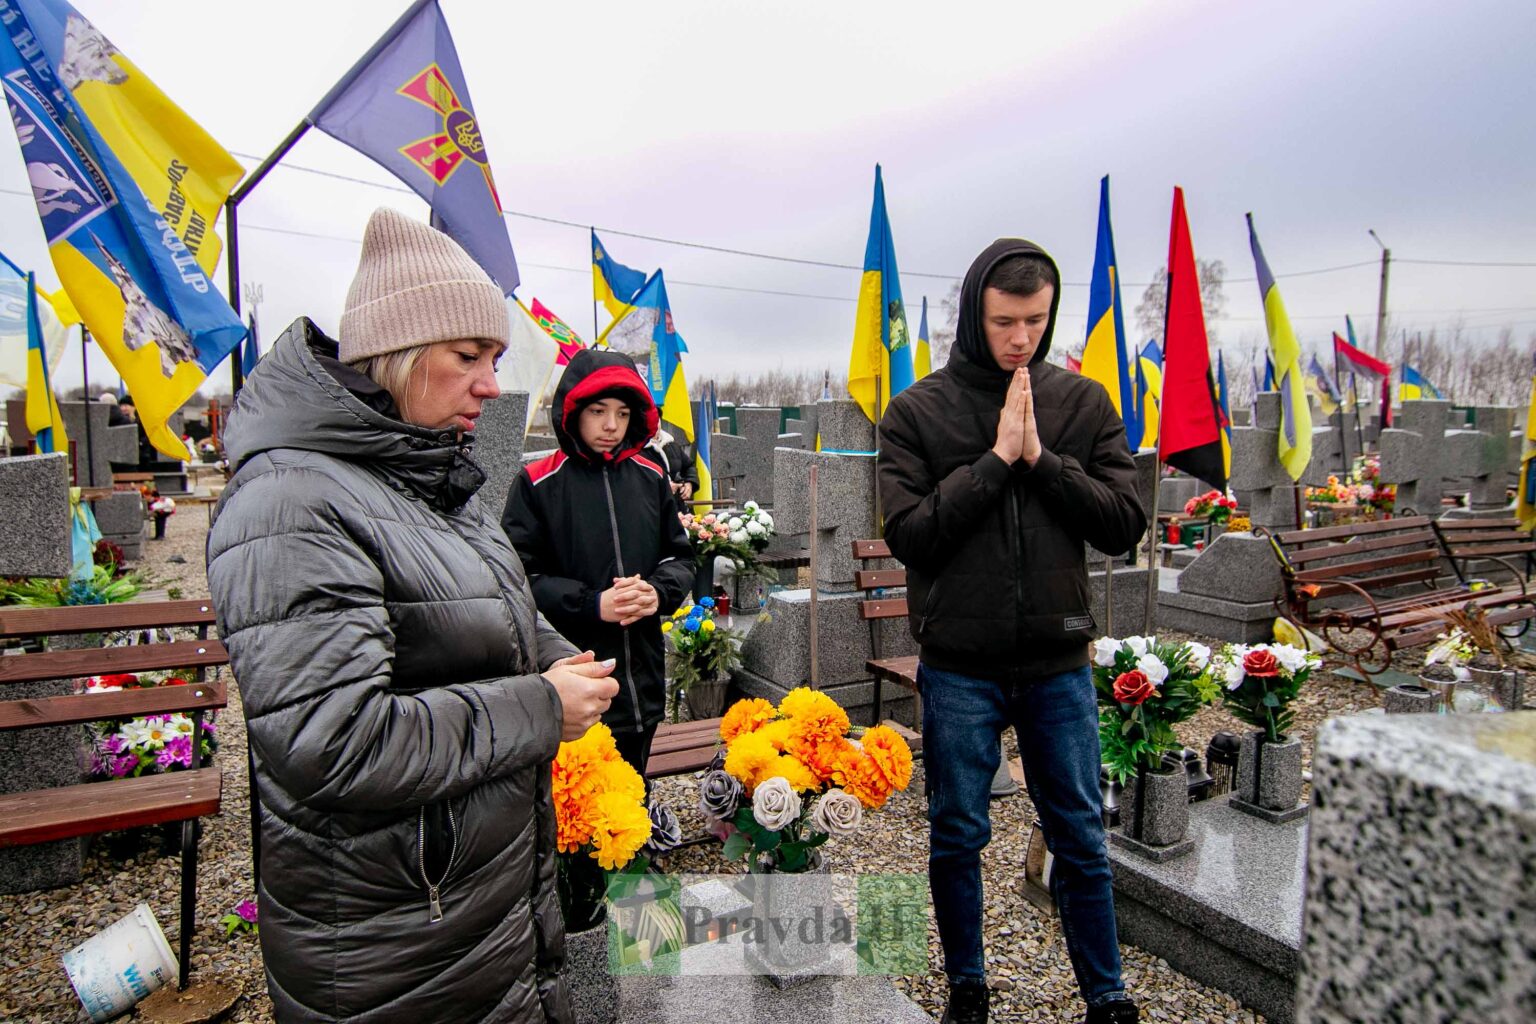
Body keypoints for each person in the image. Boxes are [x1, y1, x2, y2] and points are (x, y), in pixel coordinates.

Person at [207, 207, 617, 1024]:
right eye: (468, 356)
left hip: (474, 907)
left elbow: (485, 608)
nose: (493, 386)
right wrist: (541, 706)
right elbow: (334, 740)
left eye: (495, 359)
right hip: (393, 940)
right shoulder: (292, 501)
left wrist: (565, 657)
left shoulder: (431, 476)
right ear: (392, 354)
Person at [877, 239, 1147, 1024]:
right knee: (958, 831)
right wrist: (996, 460)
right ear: (974, 313)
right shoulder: (916, 411)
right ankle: (968, 983)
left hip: (1058, 658)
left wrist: (1043, 460)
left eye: (1035, 320)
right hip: (960, 662)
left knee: (1082, 833)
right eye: (1004, 321)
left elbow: (1122, 524)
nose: (1021, 338)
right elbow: (911, 536)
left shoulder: (1085, 403)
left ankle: (1107, 993)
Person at [502, 349, 695, 781]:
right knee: (578, 811)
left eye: (623, 413)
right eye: (598, 410)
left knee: (632, 794)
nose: (611, 425)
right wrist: (592, 604)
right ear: (573, 412)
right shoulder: (537, 484)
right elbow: (517, 581)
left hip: (642, 678)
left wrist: (657, 593)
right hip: (575, 680)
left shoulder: (650, 477)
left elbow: (679, 556)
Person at [643, 424, 698, 512]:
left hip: (678, 508)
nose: (655, 424)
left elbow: (689, 466)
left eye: (657, 420)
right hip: (653, 510)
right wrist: (665, 487)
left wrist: (690, 483)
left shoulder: (671, 444)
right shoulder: (636, 449)